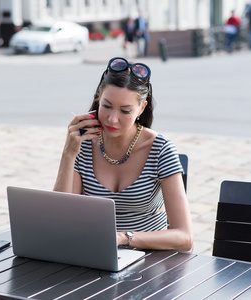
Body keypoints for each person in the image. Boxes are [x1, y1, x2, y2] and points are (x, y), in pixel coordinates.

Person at [54, 57, 193, 251]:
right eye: (106, 106)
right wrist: (68, 154)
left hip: (149, 260)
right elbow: (59, 219)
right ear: (98, 99)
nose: (112, 119)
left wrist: (123, 237)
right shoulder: (84, 143)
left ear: (141, 109)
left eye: (125, 111)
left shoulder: (160, 149)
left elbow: (184, 237)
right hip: (94, 254)